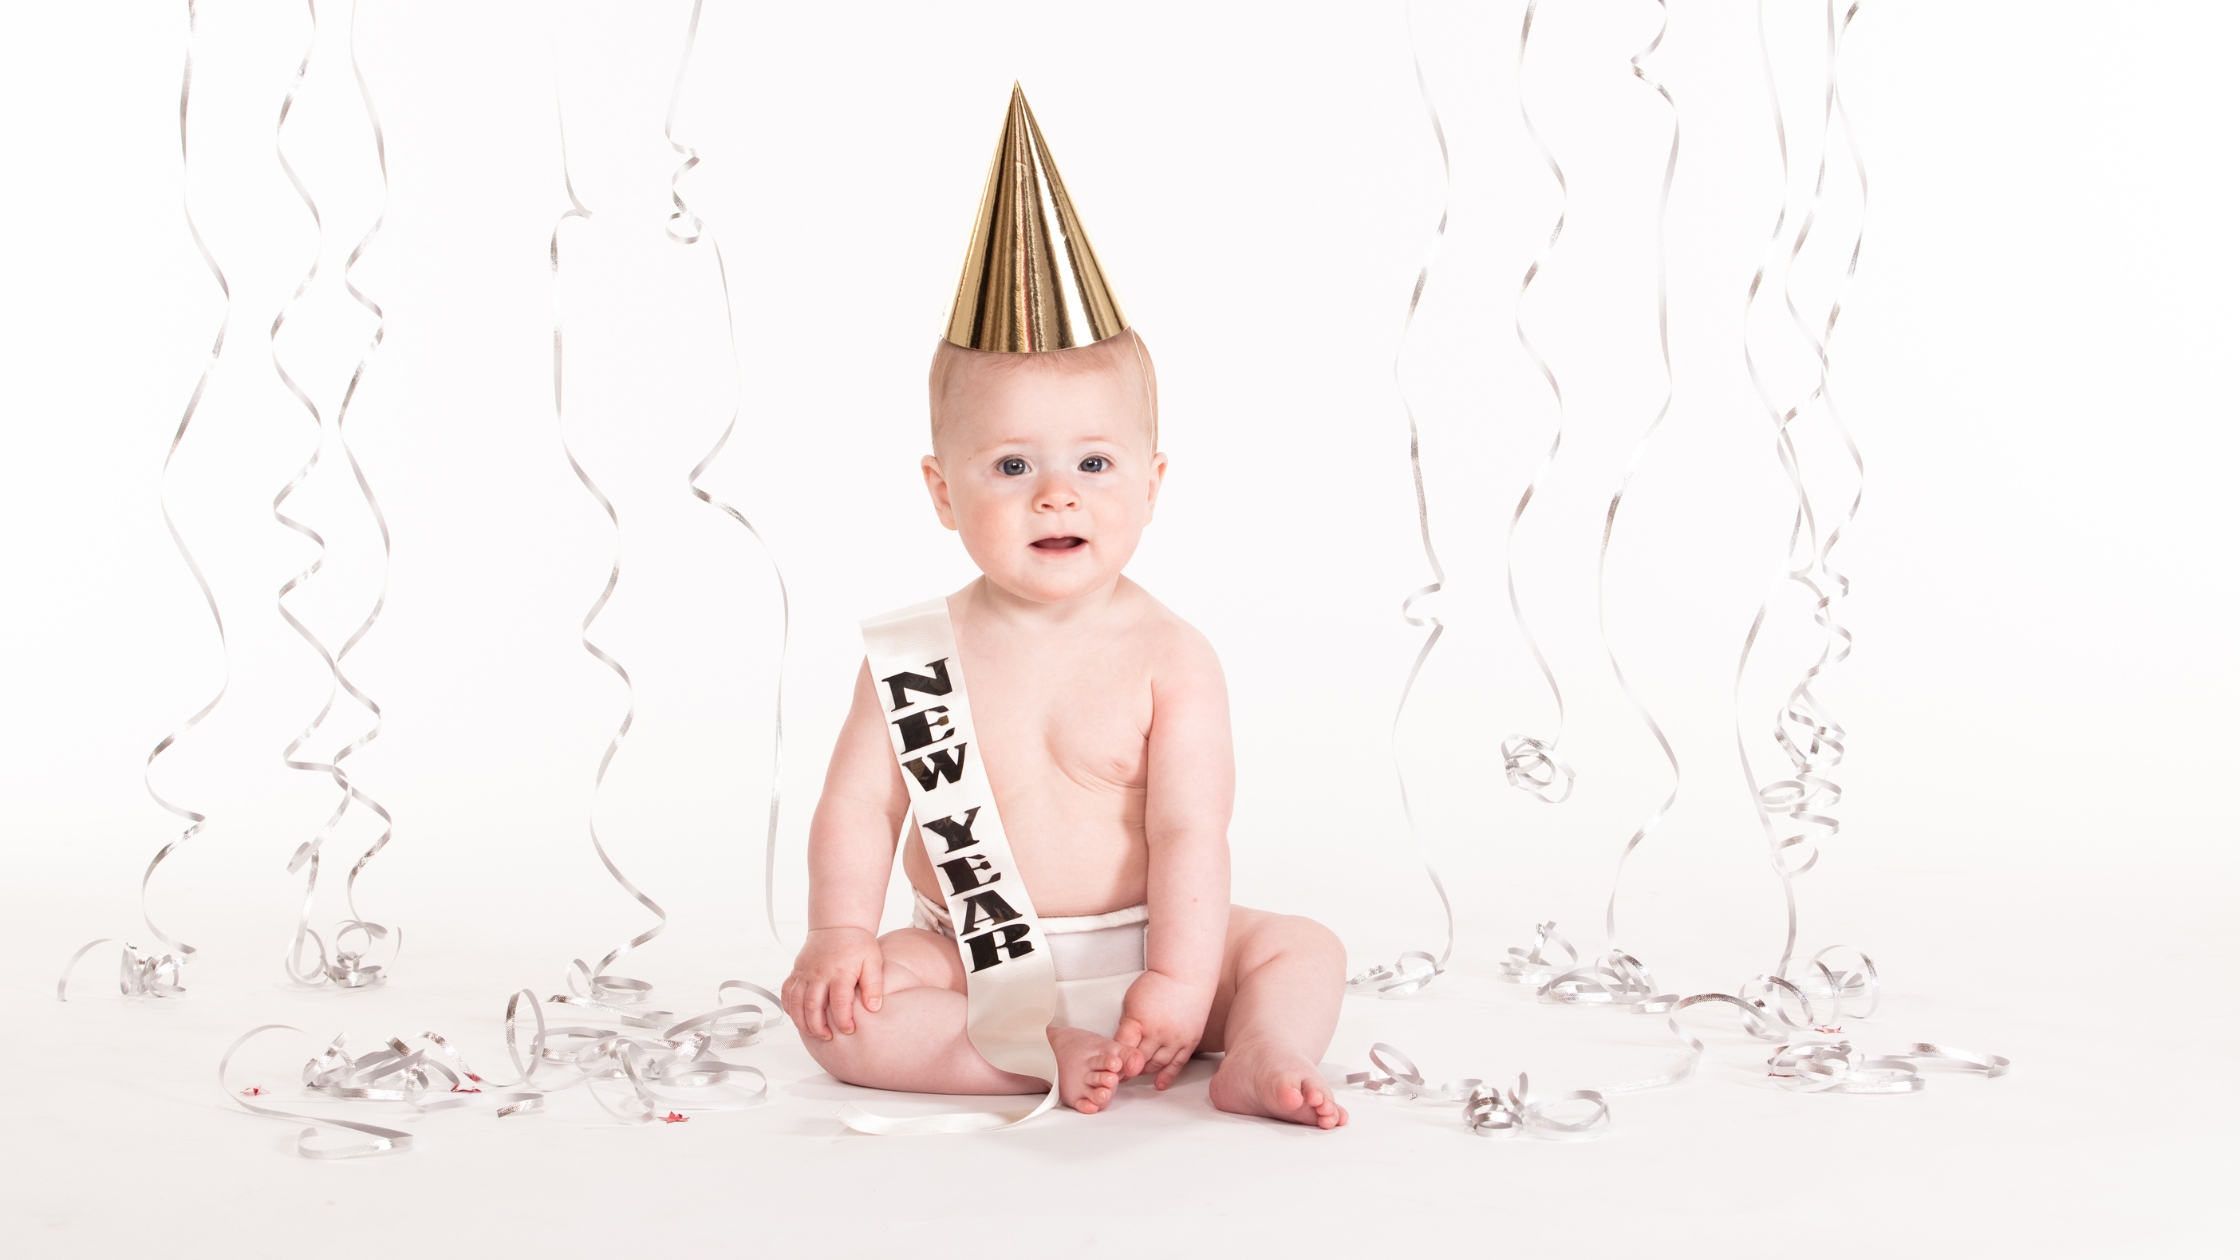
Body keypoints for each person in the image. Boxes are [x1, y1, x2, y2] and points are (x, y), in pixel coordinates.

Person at [779, 86, 1348, 1130]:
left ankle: (1262, 1051)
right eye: (1011, 466)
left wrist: (1180, 984)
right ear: (942, 492)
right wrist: (839, 937)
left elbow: (1190, 831)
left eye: (1094, 462)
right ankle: (1034, 1053)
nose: (1057, 495)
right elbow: (858, 809)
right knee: (843, 1023)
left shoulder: (1171, 657)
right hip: (967, 957)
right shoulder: (913, 654)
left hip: (1149, 944)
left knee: (1299, 949)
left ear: (1151, 483)